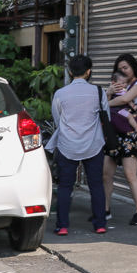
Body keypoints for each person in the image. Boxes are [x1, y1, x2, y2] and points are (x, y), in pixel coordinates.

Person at [48, 54, 109, 235]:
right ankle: (100, 224)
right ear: (89, 71)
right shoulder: (98, 92)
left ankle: (63, 226)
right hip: (94, 145)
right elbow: (107, 118)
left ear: (70, 71)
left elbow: (58, 119)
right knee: (96, 185)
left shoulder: (60, 94)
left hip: (67, 145)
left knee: (65, 187)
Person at [102, 53, 137, 226]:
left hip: (130, 133)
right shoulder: (117, 83)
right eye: (120, 68)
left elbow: (124, 99)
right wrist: (107, 93)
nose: (123, 71)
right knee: (106, 174)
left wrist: (104, 102)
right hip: (113, 132)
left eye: (126, 67)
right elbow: (108, 102)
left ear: (133, 67)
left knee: (131, 175)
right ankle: (105, 210)